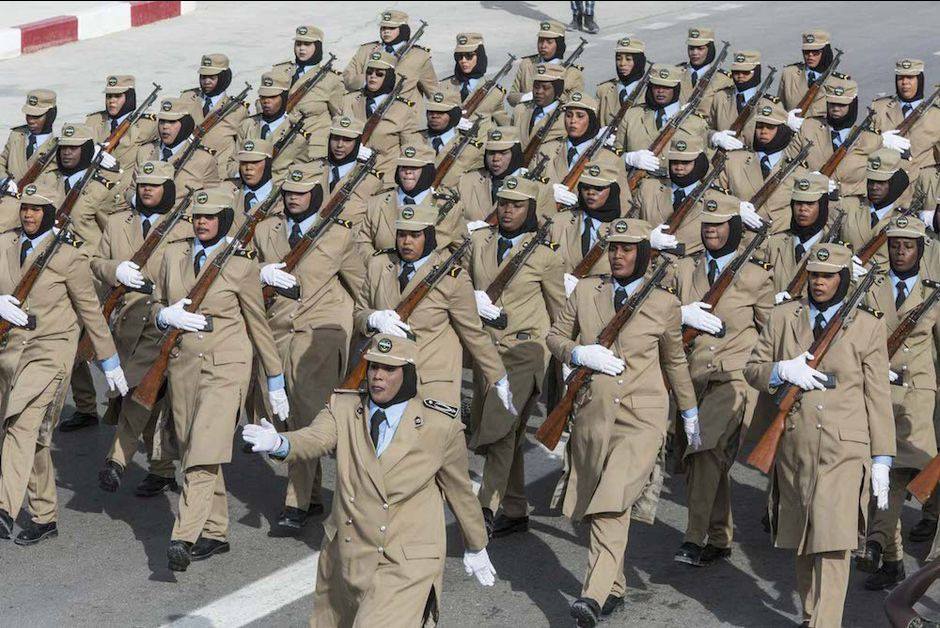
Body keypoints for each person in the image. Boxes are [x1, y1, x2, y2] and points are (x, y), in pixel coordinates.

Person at [242, 333, 495, 626]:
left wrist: (476, 545)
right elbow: (315, 438)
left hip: (404, 561)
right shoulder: (344, 408)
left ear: (408, 374)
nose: (377, 376)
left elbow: (459, 492)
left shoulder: (439, 426)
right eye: (373, 366)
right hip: (348, 555)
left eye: (389, 369)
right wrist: (279, 444)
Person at [546, 217, 698, 626]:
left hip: (642, 418)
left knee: (611, 500)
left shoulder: (664, 303)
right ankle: (612, 585)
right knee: (600, 507)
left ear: (644, 254)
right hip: (594, 415)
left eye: (627, 249)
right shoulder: (586, 291)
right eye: (613, 248)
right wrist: (578, 354)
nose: (618, 255)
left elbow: (675, 360)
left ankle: (591, 597)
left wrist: (689, 411)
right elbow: (555, 336)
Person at [744, 241, 894, 628]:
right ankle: (813, 616)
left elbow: (877, 395)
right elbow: (753, 370)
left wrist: (882, 457)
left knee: (834, 541)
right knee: (805, 541)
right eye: (813, 275)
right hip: (795, 443)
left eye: (828, 276)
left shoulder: (868, 325)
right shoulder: (783, 318)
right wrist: (782, 371)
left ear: (843, 279)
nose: (819, 283)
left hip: (845, 449)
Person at [152, 186, 286, 571]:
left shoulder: (241, 266)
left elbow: (259, 327)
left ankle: (183, 536)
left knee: (202, 448)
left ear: (225, 220)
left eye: (210, 217)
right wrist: (165, 316)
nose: (202, 223)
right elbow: (158, 303)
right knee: (195, 445)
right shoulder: (174, 255)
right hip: (182, 365)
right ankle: (215, 531)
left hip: (226, 365)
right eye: (197, 217)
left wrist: (275, 380)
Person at [0, 182, 128, 545]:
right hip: (10, 354)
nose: (28, 214)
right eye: (25, 207)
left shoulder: (68, 257)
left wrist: (110, 360)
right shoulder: (5, 244)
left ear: (51, 214)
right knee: (35, 439)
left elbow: (90, 311)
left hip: (49, 353)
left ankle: (4, 509)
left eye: (37, 209)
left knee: (19, 423)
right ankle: (44, 516)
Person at [253, 161, 365, 531]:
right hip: (276, 332)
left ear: (316, 195)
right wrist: (259, 273)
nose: (294, 199)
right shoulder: (266, 229)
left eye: (302, 193)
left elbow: (361, 288)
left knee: (306, 414)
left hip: (318, 336)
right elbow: (240, 271)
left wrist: (361, 326)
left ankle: (296, 503)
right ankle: (312, 494)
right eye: (288, 193)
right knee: (277, 410)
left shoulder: (337, 236)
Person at [671, 191, 773, 566]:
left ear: (734, 228)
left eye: (720, 225)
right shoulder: (685, 268)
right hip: (692, 378)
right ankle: (719, 534)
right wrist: (681, 314)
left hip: (734, 380)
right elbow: (661, 312)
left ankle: (693, 537)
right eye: (708, 225)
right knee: (703, 457)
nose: (712, 231)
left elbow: (771, 332)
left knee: (706, 447)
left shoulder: (754, 277)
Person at [467, 175, 565, 538]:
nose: (508, 210)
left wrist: (567, 362)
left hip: (525, 351)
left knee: (503, 428)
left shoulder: (545, 257)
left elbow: (560, 313)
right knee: (509, 428)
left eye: (517, 205)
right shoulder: (480, 241)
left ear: (531, 210)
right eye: (504, 203)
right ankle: (515, 507)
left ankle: (485, 508)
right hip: (486, 349)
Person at [354, 200, 512, 412]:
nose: (406, 242)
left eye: (415, 235)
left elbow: (473, 333)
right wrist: (373, 319)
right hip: (386, 377)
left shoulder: (452, 278)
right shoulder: (379, 265)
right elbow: (359, 312)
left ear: (428, 236)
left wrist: (498, 377)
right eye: (402, 235)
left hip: (429, 379)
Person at [94, 160, 190, 497]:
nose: (147, 189)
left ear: (169, 188)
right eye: (143, 184)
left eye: (155, 184)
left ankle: (116, 460)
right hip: (125, 322)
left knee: (140, 391)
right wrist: (114, 269)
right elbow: (95, 262)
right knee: (150, 397)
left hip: (164, 321)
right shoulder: (119, 222)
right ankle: (162, 469)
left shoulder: (186, 227)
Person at [856, 216, 939, 591]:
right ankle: (892, 561)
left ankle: (875, 544)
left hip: (916, 395)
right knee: (877, 472)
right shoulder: (871, 286)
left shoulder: (932, 294)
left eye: (908, 246)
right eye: (894, 245)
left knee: (896, 473)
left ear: (921, 250)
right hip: (877, 390)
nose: (900, 252)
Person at [633, 134, 763, 256]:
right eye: (675, 162)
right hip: (649, 270)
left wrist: (735, 208)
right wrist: (648, 238)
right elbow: (624, 224)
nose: (679, 167)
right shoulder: (648, 188)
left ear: (698, 162)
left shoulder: (719, 201)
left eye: (686, 162)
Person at [720, 96, 811, 234]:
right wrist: (735, 207)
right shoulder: (733, 162)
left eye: (770, 127)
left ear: (781, 129)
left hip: (778, 242)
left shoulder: (797, 170)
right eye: (760, 126)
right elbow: (711, 195)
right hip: (742, 241)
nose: (764, 131)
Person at [356, 144, 464, 258]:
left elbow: (461, 250)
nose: (408, 172)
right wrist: (378, 267)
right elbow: (363, 242)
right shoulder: (376, 202)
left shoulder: (450, 207)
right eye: (403, 167)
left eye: (414, 167)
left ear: (427, 171)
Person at [796, 75, 881, 197]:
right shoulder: (808, 128)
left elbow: (878, 180)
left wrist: (842, 189)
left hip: (851, 209)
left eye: (842, 105)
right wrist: (809, 180)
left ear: (852, 105)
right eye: (832, 104)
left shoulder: (870, 139)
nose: (835, 109)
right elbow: (789, 164)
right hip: (811, 203)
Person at [341, 51, 422, 180]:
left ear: (389, 77)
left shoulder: (402, 110)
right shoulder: (349, 101)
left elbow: (413, 148)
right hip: (347, 175)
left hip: (383, 178)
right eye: (369, 72)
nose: (373, 77)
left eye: (379, 74)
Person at [343, 9, 438, 118]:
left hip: (405, 119)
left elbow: (433, 91)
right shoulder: (366, 51)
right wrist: (368, 81)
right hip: (366, 114)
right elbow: (346, 78)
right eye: (383, 28)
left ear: (402, 30)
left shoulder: (419, 56)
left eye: (392, 28)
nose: (386, 31)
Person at [269, 25, 345, 161]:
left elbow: (339, 117)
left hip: (310, 147)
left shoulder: (331, 79)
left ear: (317, 46)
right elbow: (262, 102)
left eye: (307, 44)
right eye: (298, 44)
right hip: (275, 140)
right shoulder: (279, 71)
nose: (301, 48)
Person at [130, 98, 220, 201]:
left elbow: (212, 198)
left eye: (172, 122)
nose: (165, 127)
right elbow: (131, 190)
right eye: (162, 121)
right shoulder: (144, 152)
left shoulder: (203, 158)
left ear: (184, 124)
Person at [179, 54, 249, 178]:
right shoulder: (186, 99)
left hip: (217, 176)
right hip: (186, 172)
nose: (206, 81)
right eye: (203, 77)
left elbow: (242, 146)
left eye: (212, 77)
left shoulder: (237, 110)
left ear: (223, 78)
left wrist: (232, 172)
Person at [873, 58, 940, 184]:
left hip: (920, 190)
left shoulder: (936, 115)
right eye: (900, 78)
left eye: (910, 78)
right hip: (886, 188)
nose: (905, 83)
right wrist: (880, 141)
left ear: (919, 80)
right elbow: (860, 148)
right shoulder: (879, 109)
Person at [236, 71, 310, 180]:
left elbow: (301, 173)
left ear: (284, 97)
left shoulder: (296, 136)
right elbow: (233, 162)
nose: (266, 101)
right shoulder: (247, 126)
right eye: (263, 96)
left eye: (273, 96)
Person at [508, 19, 584, 107]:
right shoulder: (527, 65)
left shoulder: (572, 74)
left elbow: (575, 106)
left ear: (559, 45)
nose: (543, 46)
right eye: (540, 40)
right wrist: (529, 96)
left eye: (549, 42)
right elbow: (512, 97)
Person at [85, 75, 157, 167]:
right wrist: (89, 153)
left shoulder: (148, 124)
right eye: (109, 96)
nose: (112, 101)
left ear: (129, 97)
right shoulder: (93, 121)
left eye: (118, 96)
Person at [420, 85, 481, 188]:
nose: (434, 116)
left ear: (453, 115)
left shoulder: (469, 146)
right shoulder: (415, 139)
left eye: (441, 112)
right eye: (431, 111)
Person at [442, 33, 507, 122]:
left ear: (480, 56)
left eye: (469, 56)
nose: (463, 60)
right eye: (459, 56)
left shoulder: (493, 92)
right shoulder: (445, 86)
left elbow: (503, 123)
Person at [777, 30, 838, 120]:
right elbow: (779, 108)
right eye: (806, 52)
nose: (810, 56)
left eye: (816, 52)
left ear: (825, 52)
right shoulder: (789, 74)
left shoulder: (837, 81)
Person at [0, 89, 57, 184]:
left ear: (50, 115)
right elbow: (2, 161)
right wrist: (3, 180)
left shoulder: (57, 147)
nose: (30, 120)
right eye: (28, 115)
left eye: (37, 116)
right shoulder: (17, 135)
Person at [511, 64, 568, 148]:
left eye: (545, 88)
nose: (539, 91)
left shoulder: (565, 117)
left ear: (557, 90)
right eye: (536, 87)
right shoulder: (521, 111)